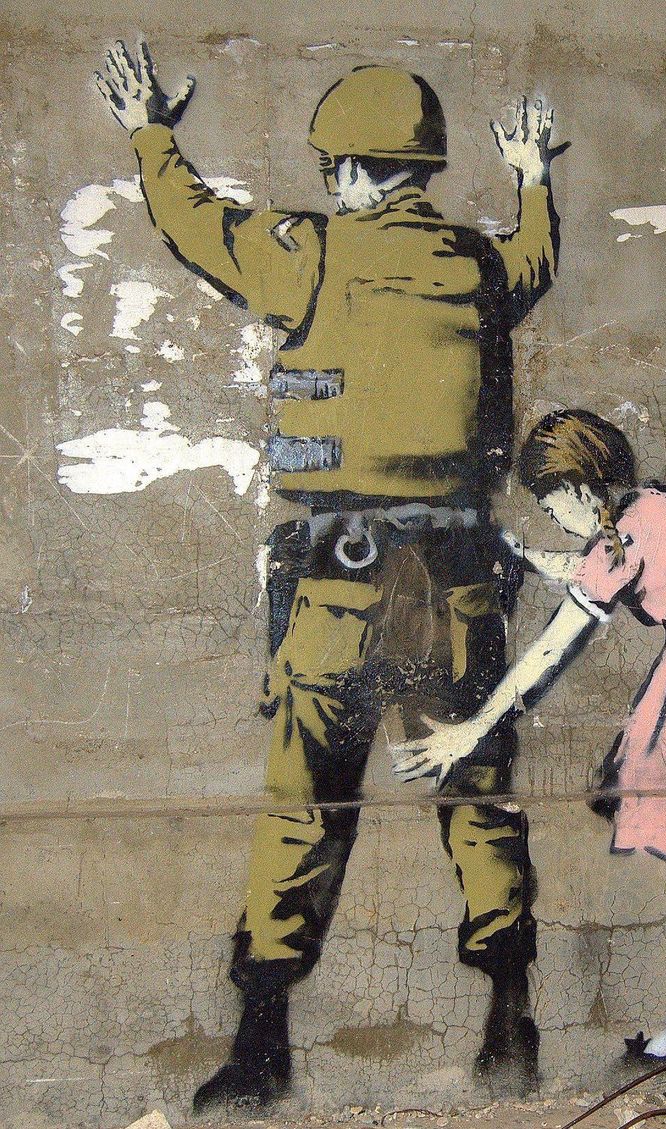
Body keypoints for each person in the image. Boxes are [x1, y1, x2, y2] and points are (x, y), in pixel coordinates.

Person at [95, 40, 563, 1108]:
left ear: (349, 168)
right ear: (424, 168)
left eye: (331, 169)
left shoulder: (308, 255)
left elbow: (196, 227)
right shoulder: (478, 268)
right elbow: (535, 258)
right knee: (478, 798)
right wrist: (534, 177)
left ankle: (261, 1043)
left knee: (302, 807)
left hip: (343, 586)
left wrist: (150, 132)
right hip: (456, 585)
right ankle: (510, 1024)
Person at [394, 410, 666, 1060]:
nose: (552, 517)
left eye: (551, 504)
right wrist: (527, 557)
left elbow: (551, 648)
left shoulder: (622, 538)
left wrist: (472, 729)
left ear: (580, 489)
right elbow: (595, 565)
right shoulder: (652, 507)